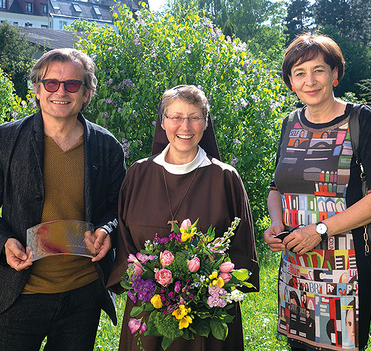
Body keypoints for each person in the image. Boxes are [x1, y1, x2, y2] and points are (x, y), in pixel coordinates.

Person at [0, 48, 126, 350]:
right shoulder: (7, 139)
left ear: (87, 93)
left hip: (83, 293)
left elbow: (118, 207)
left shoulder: (107, 147)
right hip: (21, 291)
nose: (60, 91)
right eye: (51, 83)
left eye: (72, 85)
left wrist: (108, 230)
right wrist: (3, 243)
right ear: (37, 90)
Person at [264, 33, 371, 351]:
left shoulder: (361, 120)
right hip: (296, 272)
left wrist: (320, 230)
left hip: (345, 272)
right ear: (291, 83)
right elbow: (276, 187)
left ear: (335, 74)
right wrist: (275, 223)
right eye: (299, 73)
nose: (310, 80)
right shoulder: (290, 124)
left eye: (318, 70)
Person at [107, 85, 260, 351]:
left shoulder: (225, 178)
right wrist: (153, 286)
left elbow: (241, 248)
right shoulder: (139, 174)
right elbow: (124, 240)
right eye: (176, 117)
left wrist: (204, 288)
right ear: (163, 121)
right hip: (149, 312)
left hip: (207, 315)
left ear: (205, 122)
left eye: (194, 117)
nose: (185, 126)